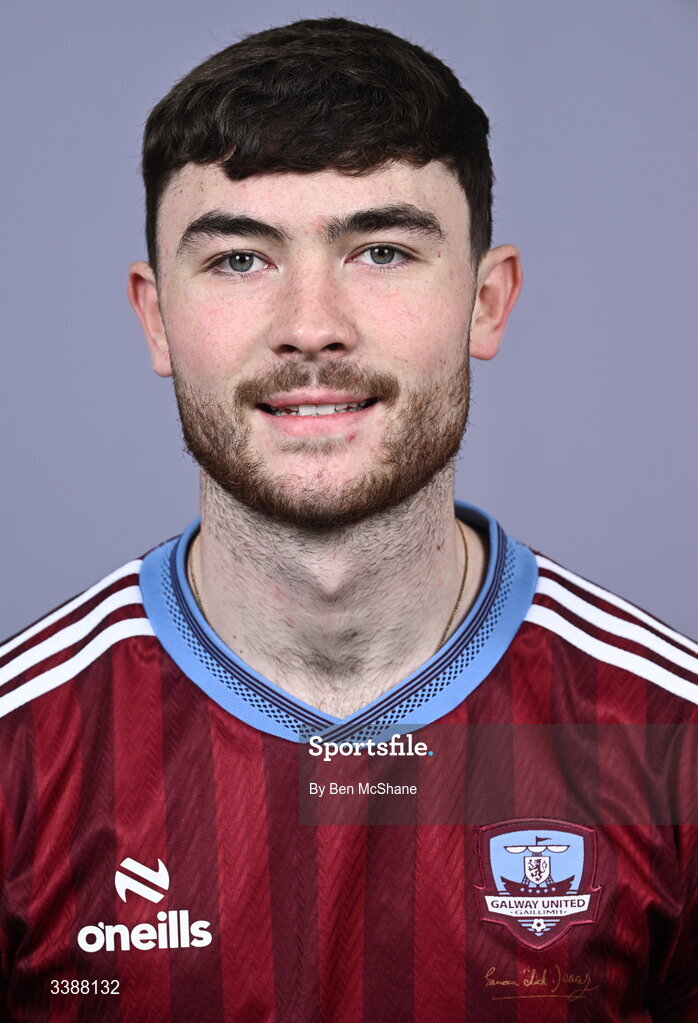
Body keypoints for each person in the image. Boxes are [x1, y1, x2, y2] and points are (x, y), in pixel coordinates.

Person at [0, 16, 696, 1022]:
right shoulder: (20, 752)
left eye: (380, 250)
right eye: (239, 259)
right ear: (156, 319)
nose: (311, 327)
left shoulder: (671, 744)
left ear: (486, 302)